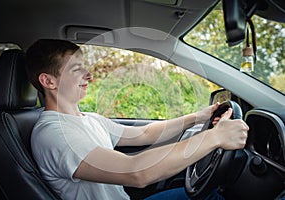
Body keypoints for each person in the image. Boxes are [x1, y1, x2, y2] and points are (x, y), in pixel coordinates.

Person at [25, 39, 249, 200]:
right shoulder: (54, 134)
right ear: (48, 81)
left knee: (212, 194)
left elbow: (145, 133)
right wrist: (215, 137)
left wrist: (197, 117)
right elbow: (136, 172)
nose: (89, 76)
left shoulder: (89, 119)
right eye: (76, 70)